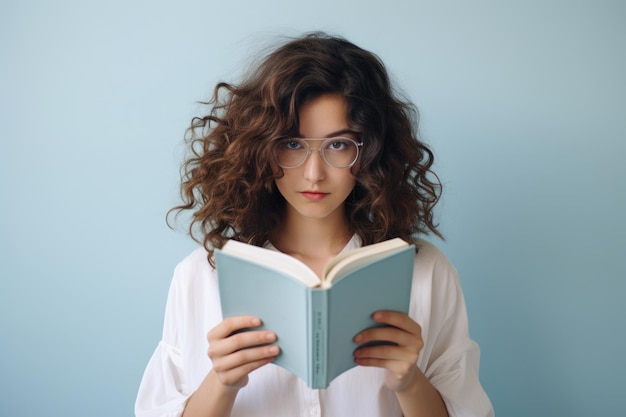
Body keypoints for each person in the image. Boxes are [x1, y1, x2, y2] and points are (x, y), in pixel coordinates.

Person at [135, 32, 494, 417]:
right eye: (291, 144)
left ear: (371, 152)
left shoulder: (425, 273)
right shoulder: (200, 278)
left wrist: (409, 382)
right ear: (261, 148)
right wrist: (222, 382)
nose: (313, 174)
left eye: (338, 145)